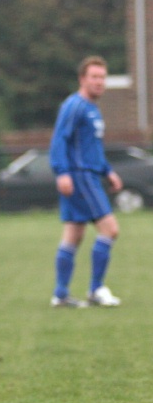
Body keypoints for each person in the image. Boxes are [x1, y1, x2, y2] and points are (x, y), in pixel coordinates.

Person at [50, 55, 122, 308]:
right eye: (94, 77)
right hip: (81, 176)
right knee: (110, 229)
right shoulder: (75, 105)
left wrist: (107, 171)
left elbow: (92, 148)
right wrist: (62, 172)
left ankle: (60, 295)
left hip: (90, 173)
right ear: (82, 79)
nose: (99, 82)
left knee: (73, 234)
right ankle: (96, 290)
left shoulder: (93, 108)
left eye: (103, 77)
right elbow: (60, 140)